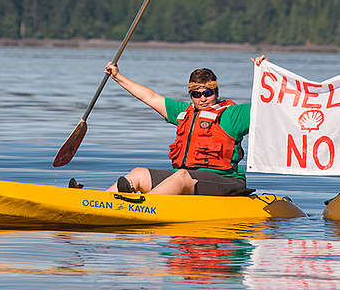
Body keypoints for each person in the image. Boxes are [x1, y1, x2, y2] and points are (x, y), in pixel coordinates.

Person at [99, 56, 268, 196]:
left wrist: (264, 75)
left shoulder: (233, 115)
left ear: (216, 92)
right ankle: (98, 203)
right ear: (191, 95)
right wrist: (117, 76)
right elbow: (150, 97)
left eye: (207, 93)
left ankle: (141, 206)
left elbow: (267, 108)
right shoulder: (183, 113)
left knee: (181, 176)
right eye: (196, 94)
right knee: (138, 173)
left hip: (225, 180)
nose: (202, 98)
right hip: (187, 177)